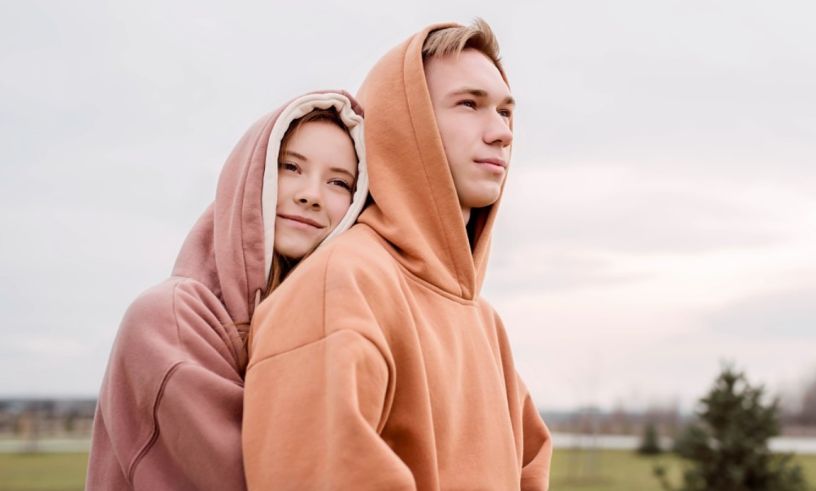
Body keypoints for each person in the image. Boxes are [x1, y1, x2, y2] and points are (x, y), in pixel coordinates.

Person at [243, 20, 552, 490]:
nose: (501, 133)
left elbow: (529, 468)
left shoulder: (483, 320)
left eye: (506, 113)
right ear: (409, 124)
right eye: (469, 104)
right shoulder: (342, 284)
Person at [85, 91, 368, 491]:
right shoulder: (169, 318)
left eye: (339, 182)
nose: (311, 194)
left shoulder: (329, 317)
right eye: (290, 167)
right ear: (248, 175)